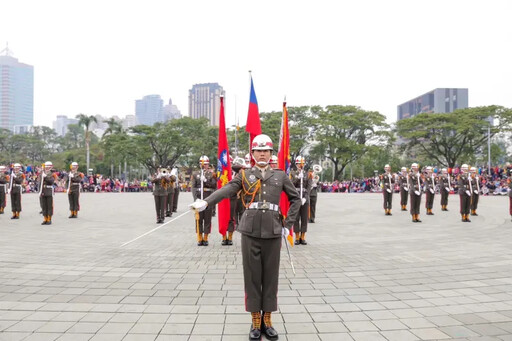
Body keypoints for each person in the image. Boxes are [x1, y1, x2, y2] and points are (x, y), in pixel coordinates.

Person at [189, 134, 300, 341]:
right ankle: (255, 320)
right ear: (253, 153)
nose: (262, 154)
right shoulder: (245, 175)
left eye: (266, 150)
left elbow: (295, 200)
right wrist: (206, 202)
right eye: (258, 150)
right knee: (252, 276)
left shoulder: (280, 175)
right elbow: (226, 189)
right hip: (250, 231)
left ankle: (268, 319)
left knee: (270, 277)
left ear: (271, 152)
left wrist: (288, 225)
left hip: (274, 230)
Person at [191, 156, 217, 246]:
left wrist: (206, 181)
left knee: (207, 218)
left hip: (207, 198)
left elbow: (214, 185)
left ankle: (205, 238)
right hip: (199, 198)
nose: (204, 166)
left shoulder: (212, 174)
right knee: (198, 219)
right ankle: (199, 238)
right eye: (202, 164)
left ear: (208, 164)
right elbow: (193, 187)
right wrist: (195, 199)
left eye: (205, 164)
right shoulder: (195, 174)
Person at [223, 156, 245, 245]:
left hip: (235, 197)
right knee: (224, 217)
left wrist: (239, 193)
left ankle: (230, 237)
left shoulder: (240, 174)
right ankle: (224, 237)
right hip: (225, 197)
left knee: (232, 217)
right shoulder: (225, 172)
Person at [290, 155, 311, 245]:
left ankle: (303, 237)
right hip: (296, 197)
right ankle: (297, 237)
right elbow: (291, 185)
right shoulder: (292, 173)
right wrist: (297, 177)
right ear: (296, 164)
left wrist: (305, 198)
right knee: (296, 218)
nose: (300, 165)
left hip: (305, 198)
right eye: (299, 164)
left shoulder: (308, 174)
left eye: (301, 164)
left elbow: (309, 187)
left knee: (304, 218)